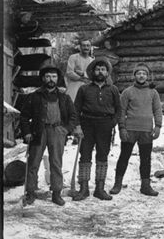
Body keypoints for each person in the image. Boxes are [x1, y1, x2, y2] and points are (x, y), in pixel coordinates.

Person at [20, 63, 78, 206]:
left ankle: (56, 193)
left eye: (53, 76)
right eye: (47, 76)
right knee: (33, 163)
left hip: (57, 131)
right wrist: (27, 132)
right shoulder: (34, 96)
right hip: (38, 132)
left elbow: (73, 116)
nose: (51, 79)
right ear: (43, 78)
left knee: (56, 163)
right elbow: (24, 116)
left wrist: (66, 129)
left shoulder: (64, 97)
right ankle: (30, 192)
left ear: (57, 79)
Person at [71, 59, 122, 201]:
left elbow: (119, 110)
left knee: (102, 156)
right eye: (97, 69)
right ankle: (84, 189)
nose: (100, 72)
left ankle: (100, 189)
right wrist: (77, 126)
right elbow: (76, 109)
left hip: (105, 125)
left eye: (103, 69)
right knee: (85, 155)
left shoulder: (113, 89)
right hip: (87, 124)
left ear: (107, 73)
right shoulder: (84, 89)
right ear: (93, 72)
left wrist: (112, 123)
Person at [110, 64, 162, 197]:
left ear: (147, 76)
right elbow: (121, 111)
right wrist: (122, 128)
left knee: (146, 159)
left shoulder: (153, 92)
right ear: (134, 76)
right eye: (139, 73)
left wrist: (158, 126)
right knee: (124, 156)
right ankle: (117, 184)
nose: (141, 76)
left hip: (146, 131)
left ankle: (145, 186)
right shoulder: (128, 92)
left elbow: (157, 110)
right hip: (130, 130)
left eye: (144, 73)